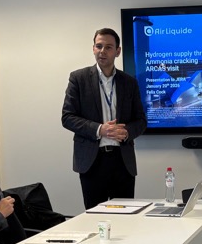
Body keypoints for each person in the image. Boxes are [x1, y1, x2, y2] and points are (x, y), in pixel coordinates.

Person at [61, 27, 148, 209]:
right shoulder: (78, 78)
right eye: (99, 46)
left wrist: (127, 132)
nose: (102, 51)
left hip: (122, 161)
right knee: (95, 217)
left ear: (118, 51)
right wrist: (100, 129)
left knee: (125, 216)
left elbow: (141, 120)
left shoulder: (129, 82)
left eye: (108, 47)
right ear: (93, 48)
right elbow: (67, 117)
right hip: (92, 161)